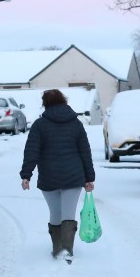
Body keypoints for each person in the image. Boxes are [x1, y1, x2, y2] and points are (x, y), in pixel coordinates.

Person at [20, 89, 95, 263]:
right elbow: (85, 152)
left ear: (45, 103)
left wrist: (26, 175)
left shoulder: (40, 125)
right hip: (73, 176)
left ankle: (57, 248)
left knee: (55, 213)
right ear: (64, 101)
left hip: (49, 177)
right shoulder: (76, 123)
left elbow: (31, 151)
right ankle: (67, 250)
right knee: (68, 214)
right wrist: (88, 178)